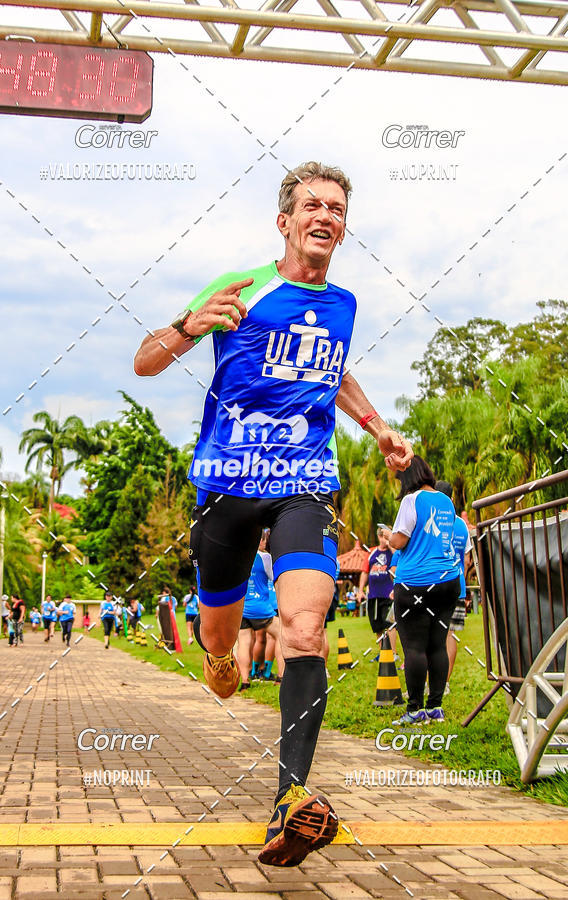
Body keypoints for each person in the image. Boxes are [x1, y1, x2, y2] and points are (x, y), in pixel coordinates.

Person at [134, 160, 412, 867]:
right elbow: (144, 362)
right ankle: (216, 654)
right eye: (313, 205)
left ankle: (291, 800)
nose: (326, 216)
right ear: (285, 221)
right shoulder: (241, 287)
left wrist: (377, 426)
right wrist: (188, 324)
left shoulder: (344, 304)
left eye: (337, 208)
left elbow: (333, 370)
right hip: (227, 486)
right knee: (220, 644)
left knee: (304, 627)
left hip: (303, 482)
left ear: (343, 229)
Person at [382, 457, 460, 726]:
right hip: (448, 580)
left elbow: (400, 540)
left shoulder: (411, 500)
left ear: (408, 477)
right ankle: (435, 707)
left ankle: (415, 710)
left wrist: (388, 535)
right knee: (437, 644)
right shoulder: (446, 501)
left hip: (415, 581)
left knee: (414, 647)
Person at [435, 481, 472, 693]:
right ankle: (445, 683)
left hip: (436, 584)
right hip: (457, 584)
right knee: (450, 635)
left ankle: (432, 684)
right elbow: (467, 559)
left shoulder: (435, 520)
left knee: (433, 635)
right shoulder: (462, 525)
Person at [237, 533, 283, 690]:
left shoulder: (238, 556)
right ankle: (281, 677)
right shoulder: (265, 558)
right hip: (260, 608)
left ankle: (245, 681)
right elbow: (274, 577)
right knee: (281, 634)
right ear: (260, 540)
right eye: (264, 540)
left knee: (244, 642)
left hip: (242, 608)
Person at [359, 529, 397, 661]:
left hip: (389, 594)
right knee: (377, 626)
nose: (383, 539)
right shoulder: (371, 552)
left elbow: (398, 558)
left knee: (390, 624)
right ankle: (383, 652)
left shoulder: (393, 552)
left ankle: (393, 653)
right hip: (374, 595)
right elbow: (365, 572)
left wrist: (390, 544)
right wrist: (360, 590)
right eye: (381, 536)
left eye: (385, 536)